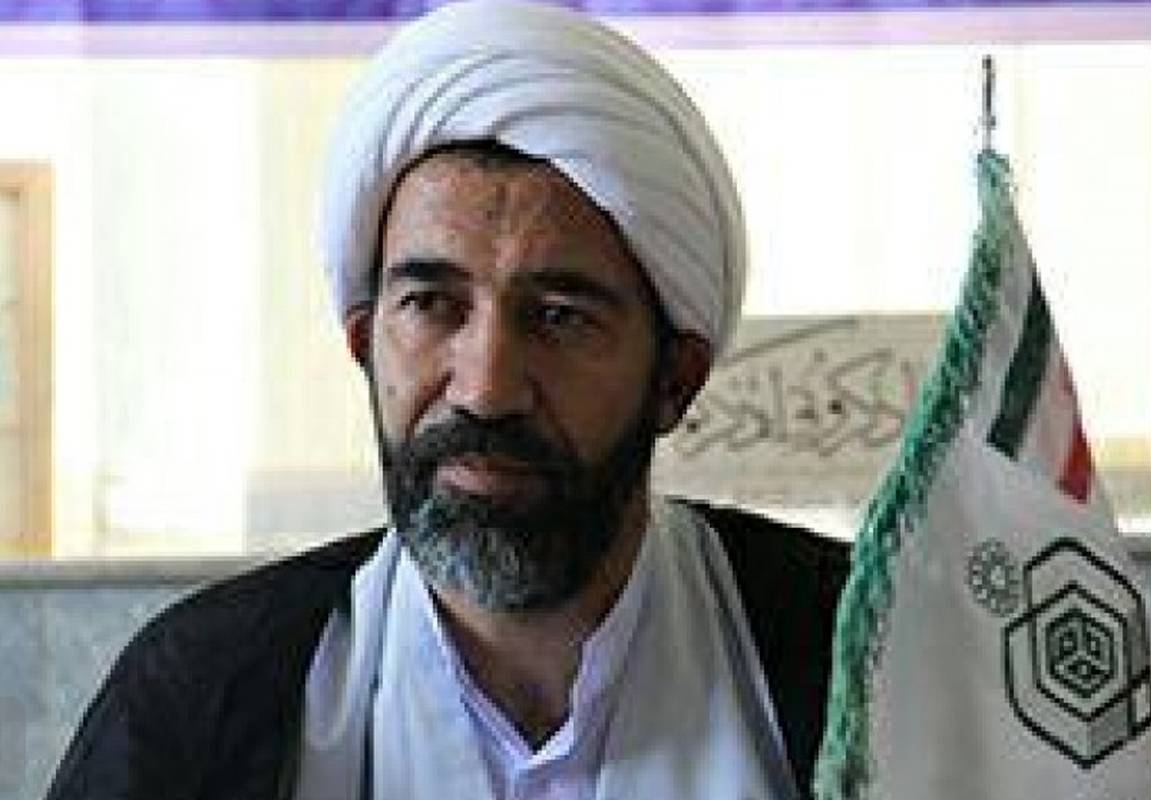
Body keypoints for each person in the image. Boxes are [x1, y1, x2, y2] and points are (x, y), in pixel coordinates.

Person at [47, 2, 848, 798]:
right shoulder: (197, 696)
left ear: (675, 378)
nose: (487, 390)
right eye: (433, 305)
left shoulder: (861, 654)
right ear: (364, 344)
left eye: (559, 317)